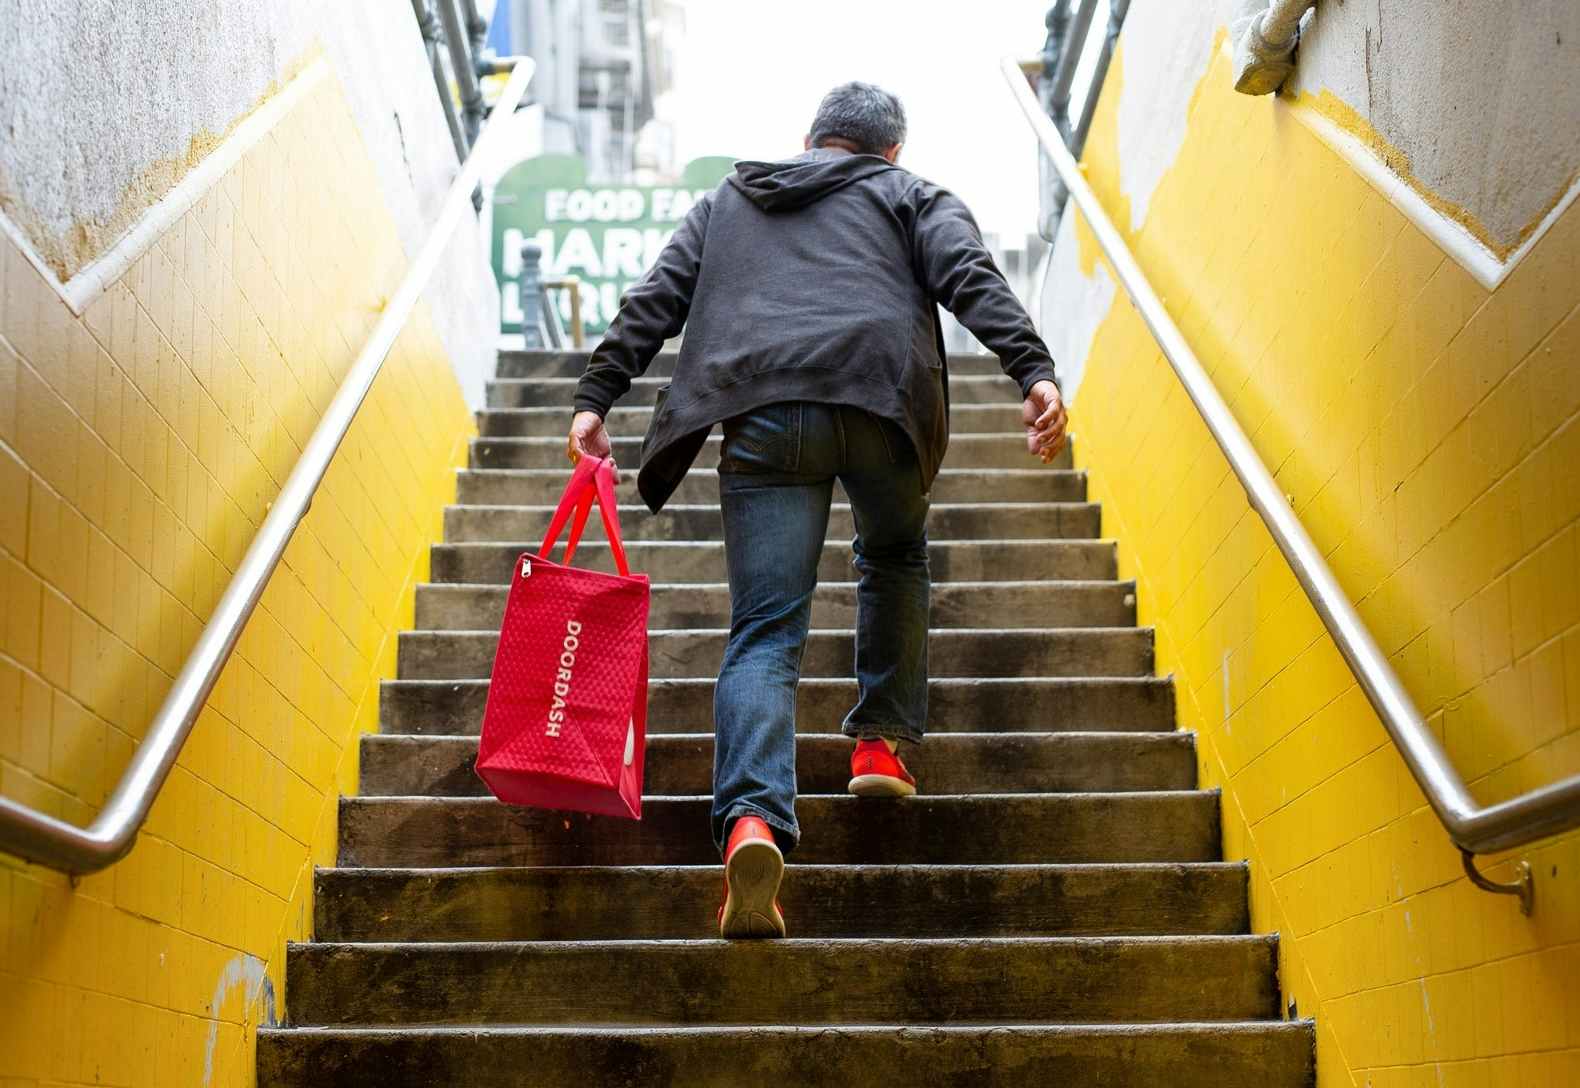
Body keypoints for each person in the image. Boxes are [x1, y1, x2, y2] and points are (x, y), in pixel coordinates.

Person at [566, 81, 1067, 939]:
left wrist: (597, 394)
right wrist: (1033, 370)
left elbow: (659, 295)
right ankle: (879, 743)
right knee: (896, 557)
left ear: (810, 141)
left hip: (763, 413)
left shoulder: (733, 197)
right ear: (891, 152)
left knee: (764, 629)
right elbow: (966, 272)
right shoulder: (912, 195)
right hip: (882, 402)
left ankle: (754, 823)